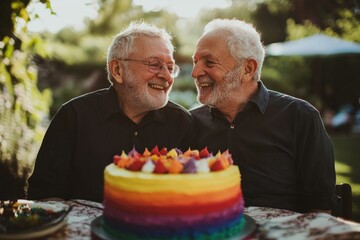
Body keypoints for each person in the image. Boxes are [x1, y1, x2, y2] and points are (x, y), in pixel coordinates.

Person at [28, 21, 194, 202]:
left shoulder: (182, 123)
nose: (167, 76)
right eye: (154, 64)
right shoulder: (73, 116)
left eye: (170, 68)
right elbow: (45, 195)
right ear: (117, 70)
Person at [190, 18, 336, 213]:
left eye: (209, 62)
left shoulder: (300, 117)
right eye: (195, 61)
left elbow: (321, 207)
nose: (195, 72)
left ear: (247, 69)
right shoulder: (190, 123)